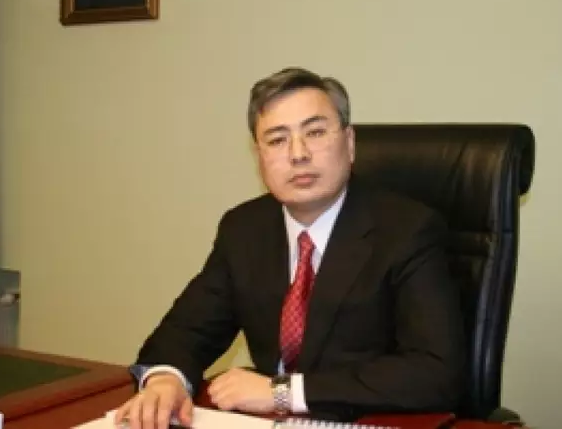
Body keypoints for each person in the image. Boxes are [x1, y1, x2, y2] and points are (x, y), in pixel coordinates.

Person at [113, 67, 466, 429]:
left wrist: (283, 392)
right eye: (277, 139)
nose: (298, 154)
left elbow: (436, 371)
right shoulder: (244, 229)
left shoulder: (407, 230)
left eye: (315, 132)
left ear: (349, 142)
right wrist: (166, 379)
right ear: (259, 156)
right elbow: (187, 330)